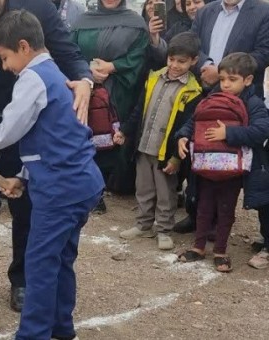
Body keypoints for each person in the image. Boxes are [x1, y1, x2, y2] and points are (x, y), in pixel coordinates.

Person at [0, 10, 103, 339]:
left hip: (60, 190)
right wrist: (23, 177)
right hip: (82, 183)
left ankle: (33, 334)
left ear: (23, 47)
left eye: (5, 57)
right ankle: (59, 328)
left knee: (39, 265)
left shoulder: (32, 79)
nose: (4, 66)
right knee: (60, 260)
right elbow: (52, 139)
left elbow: (5, 133)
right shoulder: (52, 73)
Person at [153, 0, 269, 234]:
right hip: (202, 88)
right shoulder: (207, 10)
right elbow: (194, 44)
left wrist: (223, 73)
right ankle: (195, 214)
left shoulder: (263, 11)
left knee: (227, 157)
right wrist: (206, 65)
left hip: (237, 97)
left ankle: (220, 221)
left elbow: (263, 53)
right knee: (198, 150)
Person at [176, 52, 269, 272]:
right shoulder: (211, 97)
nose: (226, 84)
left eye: (232, 80)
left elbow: (262, 130)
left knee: (226, 208)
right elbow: (194, 120)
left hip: (232, 169)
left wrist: (228, 133)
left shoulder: (253, 103)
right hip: (206, 165)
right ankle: (198, 247)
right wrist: (182, 136)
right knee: (203, 206)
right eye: (223, 79)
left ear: (247, 80)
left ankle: (220, 251)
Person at [115, 32, 203, 250]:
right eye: (171, 59)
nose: (174, 65)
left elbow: (186, 127)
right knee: (143, 188)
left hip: (166, 153)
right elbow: (139, 110)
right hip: (144, 145)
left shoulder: (192, 92)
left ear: (194, 61)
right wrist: (125, 131)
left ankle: (163, 229)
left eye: (181, 62)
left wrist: (176, 157)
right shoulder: (153, 78)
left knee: (166, 192)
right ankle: (143, 224)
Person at [70, 0, 149, 211]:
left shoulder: (136, 23)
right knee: (86, 134)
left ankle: (105, 186)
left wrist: (114, 66)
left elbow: (140, 56)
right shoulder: (82, 21)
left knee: (110, 138)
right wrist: (86, 69)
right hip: (87, 86)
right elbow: (70, 52)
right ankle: (87, 189)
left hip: (120, 89)